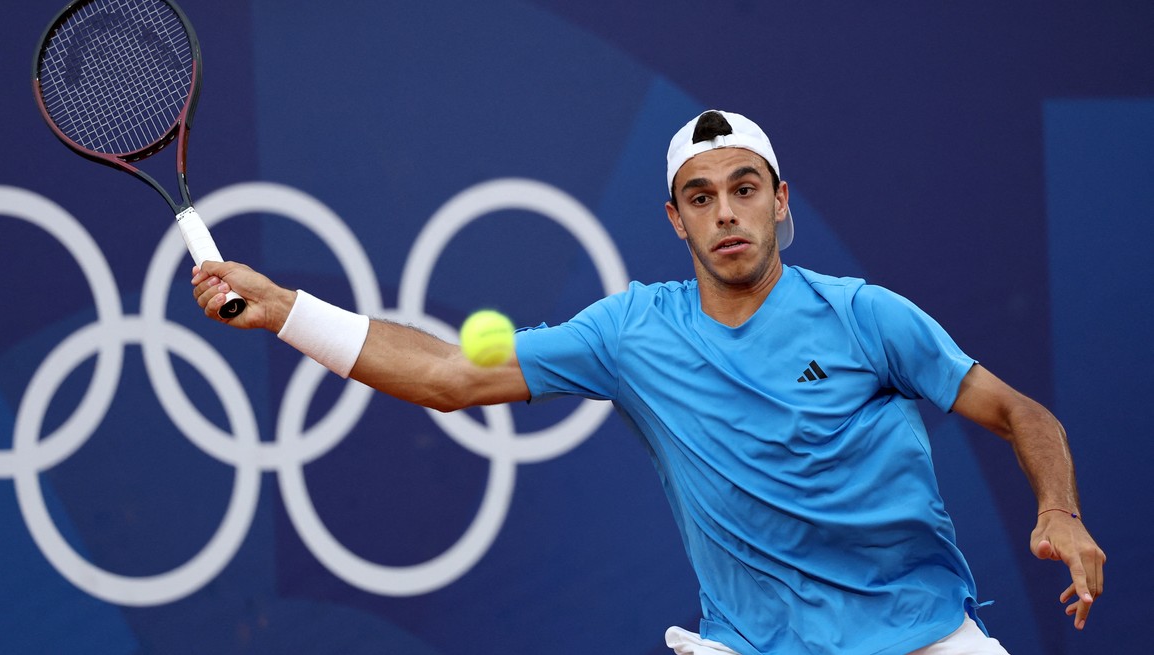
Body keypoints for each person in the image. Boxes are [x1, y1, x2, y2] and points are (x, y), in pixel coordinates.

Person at [191, 109, 1105, 654]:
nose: (728, 213)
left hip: (924, 637)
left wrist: (1057, 506)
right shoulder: (633, 331)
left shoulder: (867, 316)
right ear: (676, 219)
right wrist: (284, 311)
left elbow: (1019, 412)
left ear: (781, 201)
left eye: (746, 189)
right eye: (701, 197)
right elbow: (445, 377)